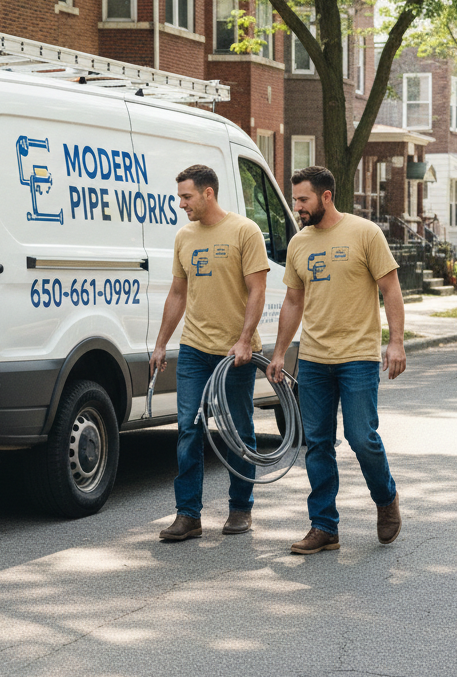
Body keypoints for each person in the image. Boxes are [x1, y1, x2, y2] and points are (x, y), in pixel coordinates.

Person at [267, 165, 405, 555]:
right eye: (295, 199)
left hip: (358, 357)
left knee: (362, 439)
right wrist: (280, 352)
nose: (297, 207)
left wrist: (396, 342)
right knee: (319, 444)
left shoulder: (365, 233)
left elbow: (390, 289)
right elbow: (293, 301)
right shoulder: (299, 243)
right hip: (313, 359)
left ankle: (386, 497)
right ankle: (324, 525)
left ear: (326, 197)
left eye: (303, 199)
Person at [151, 164, 270, 541]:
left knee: (238, 431)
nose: (181, 203)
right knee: (189, 429)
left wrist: (245, 338)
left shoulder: (244, 231)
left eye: (187, 196)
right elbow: (177, 294)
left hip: (235, 353)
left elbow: (257, 289)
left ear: (208, 193)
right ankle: (188, 515)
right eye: (180, 196)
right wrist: (159, 344)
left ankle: (240, 509)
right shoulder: (184, 237)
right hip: (194, 350)